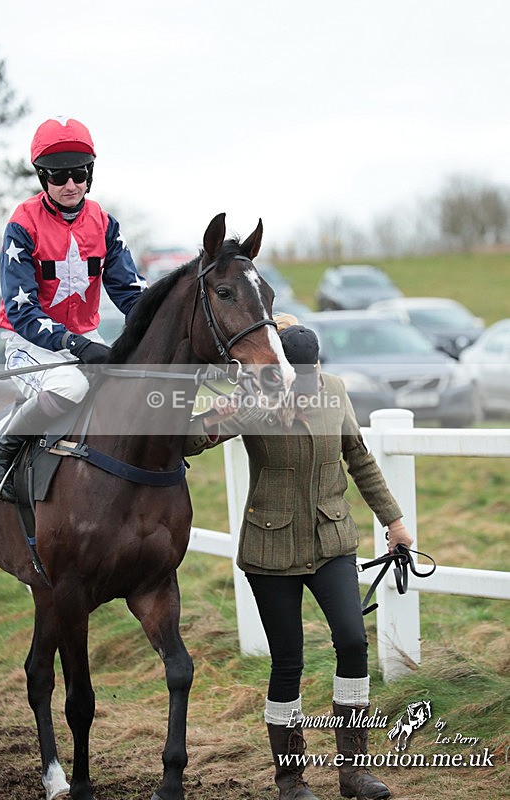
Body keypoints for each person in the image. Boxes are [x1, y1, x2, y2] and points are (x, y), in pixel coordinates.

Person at [185, 319, 413, 800]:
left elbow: (359, 458)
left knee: (353, 642)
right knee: (288, 662)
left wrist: (394, 521)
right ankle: (291, 780)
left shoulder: (335, 391)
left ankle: (353, 773)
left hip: (332, 542)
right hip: (270, 550)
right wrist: (213, 415)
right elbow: (187, 442)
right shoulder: (254, 399)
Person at [0, 116, 147, 502]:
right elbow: (22, 311)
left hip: (83, 336)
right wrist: (75, 344)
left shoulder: (104, 223)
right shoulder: (22, 224)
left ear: (90, 173)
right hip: (30, 343)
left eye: (79, 173)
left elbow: (130, 292)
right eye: (58, 176)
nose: (70, 184)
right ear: (42, 177)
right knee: (71, 387)